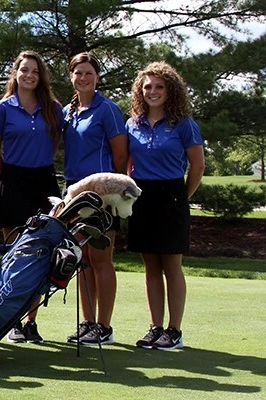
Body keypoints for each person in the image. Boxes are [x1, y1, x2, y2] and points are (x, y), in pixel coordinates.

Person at [126, 62, 204, 351]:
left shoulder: (183, 124)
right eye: (147, 86)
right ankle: (155, 327)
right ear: (140, 90)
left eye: (159, 86)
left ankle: (174, 330)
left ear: (170, 90)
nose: (153, 91)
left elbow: (198, 166)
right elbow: (128, 164)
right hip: (141, 197)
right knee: (150, 267)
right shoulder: (132, 124)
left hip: (172, 195)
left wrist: (183, 196)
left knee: (172, 266)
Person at [0, 50, 63, 344]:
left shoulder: (53, 109)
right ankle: (13, 322)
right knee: (14, 255)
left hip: (44, 183)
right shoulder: (2, 109)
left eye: (35, 71)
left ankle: (31, 321)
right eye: (24, 70)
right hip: (13, 182)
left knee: (41, 255)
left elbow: (54, 143)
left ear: (41, 76)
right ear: (15, 73)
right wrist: (10, 175)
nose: (29, 75)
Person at [61, 52, 128, 346]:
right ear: (71, 76)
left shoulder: (107, 110)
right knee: (82, 259)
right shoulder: (68, 112)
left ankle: (105, 326)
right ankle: (88, 323)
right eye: (78, 73)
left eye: (89, 73)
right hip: (75, 193)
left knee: (101, 258)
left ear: (97, 77)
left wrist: (111, 192)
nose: (83, 78)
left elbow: (121, 156)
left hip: (102, 193)